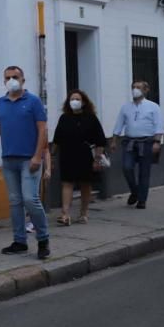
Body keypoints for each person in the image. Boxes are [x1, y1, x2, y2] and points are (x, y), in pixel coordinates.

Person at [0, 66, 50, 260]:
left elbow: (43, 131)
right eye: (8, 78)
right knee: (15, 202)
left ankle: (43, 239)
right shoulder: (1, 103)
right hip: (9, 159)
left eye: (15, 77)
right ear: (4, 82)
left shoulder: (33, 102)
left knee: (30, 199)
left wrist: (37, 156)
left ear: (23, 79)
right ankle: (19, 241)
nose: (11, 80)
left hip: (29, 159)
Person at [52, 90, 107, 226]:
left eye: (77, 99)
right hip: (67, 154)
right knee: (67, 183)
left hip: (85, 154)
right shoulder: (64, 118)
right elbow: (57, 139)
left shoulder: (90, 118)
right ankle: (65, 214)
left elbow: (100, 140)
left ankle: (83, 213)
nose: (74, 102)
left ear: (83, 102)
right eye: (72, 99)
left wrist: (97, 158)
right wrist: (51, 156)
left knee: (85, 184)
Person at [109, 80, 164, 210]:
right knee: (127, 167)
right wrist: (114, 140)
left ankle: (142, 200)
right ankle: (134, 191)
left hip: (147, 142)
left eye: (138, 87)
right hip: (130, 142)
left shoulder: (153, 106)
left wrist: (157, 142)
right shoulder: (126, 107)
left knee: (144, 173)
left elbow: (159, 125)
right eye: (133, 87)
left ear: (146, 90)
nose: (135, 89)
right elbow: (119, 124)